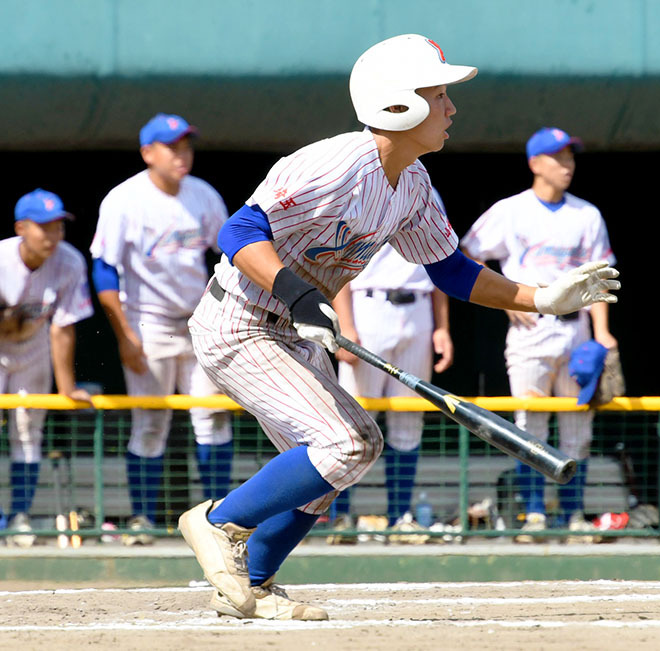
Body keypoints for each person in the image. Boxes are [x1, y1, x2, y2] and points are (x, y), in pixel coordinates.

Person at [177, 34, 619, 621]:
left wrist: (541, 298)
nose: (452, 108)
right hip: (240, 320)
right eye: (439, 95)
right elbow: (238, 232)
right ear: (398, 104)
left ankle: (253, 585)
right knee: (348, 442)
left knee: (334, 468)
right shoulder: (336, 162)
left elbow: (453, 272)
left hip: (295, 327)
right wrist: (299, 293)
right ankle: (215, 522)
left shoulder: (412, 184)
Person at [460, 126, 617, 541]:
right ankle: (533, 514)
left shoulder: (586, 214)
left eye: (570, 157)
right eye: (558, 157)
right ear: (535, 163)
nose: (567, 165)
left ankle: (574, 515)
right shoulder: (511, 210)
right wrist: (508, 300)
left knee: (577, 429)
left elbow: (601, 278)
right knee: (531, 424)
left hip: (577, 330)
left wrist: (603, 333)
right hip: (532, 329)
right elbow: (467, 253)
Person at [90, 113, 233, 544]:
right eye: (172, 147)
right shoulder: (124, 199)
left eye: (186, 146)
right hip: (148, 322)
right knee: (150, 423)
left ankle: (220, 521)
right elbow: (104, 268)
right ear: (148, 153)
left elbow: (228, 254)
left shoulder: (202, 194)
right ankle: (142, 520)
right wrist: (124, 336)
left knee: (213, 417)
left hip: (199, 320)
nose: (182, 155)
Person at [328, 214, 455, 539]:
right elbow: (337, 264)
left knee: (409, 422)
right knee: (353, 423)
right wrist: (346, 325)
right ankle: (339, 518)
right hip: (369, 306)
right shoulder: (361, 191)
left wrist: (442, 327)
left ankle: (401, 517)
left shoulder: (426, 194)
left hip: (418, 308)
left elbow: (439, 261)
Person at [0, 189, 93, 547]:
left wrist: (66, 387)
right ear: (22, 228)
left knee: (26, 433)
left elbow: (63, 326)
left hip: (34, 347)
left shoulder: (69, 261)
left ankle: (19, 516)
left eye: (58, 228)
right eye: (44, 228)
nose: (52, 237)